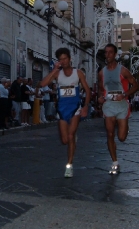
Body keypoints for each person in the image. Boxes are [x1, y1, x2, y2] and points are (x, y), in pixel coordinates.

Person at [41, 47, 90, 178]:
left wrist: (85, 106)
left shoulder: (78, 73)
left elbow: (87, 90)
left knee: (70, 135)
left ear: (69, 58)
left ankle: (69, 165)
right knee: (64, 140)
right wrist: (54, 69)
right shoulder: (57, 74)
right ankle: (72, 139)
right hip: (62, 108)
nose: (63, 61)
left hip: (75, 107)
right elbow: (42, 84)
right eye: (60, 59)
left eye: (65, 58)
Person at [98, 44, 139, 175]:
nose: (108, 55)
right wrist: (100, 97)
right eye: (106, 52)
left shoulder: (123, 70)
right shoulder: (101, 72)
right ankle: (115, 163)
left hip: (122, 105)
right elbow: (100, 88)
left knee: (121, 137)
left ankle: (126, 127)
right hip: (109, 105)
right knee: (110, 134)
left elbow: (135, 85)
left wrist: (125, 94)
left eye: (110, 52)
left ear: (115, 54)